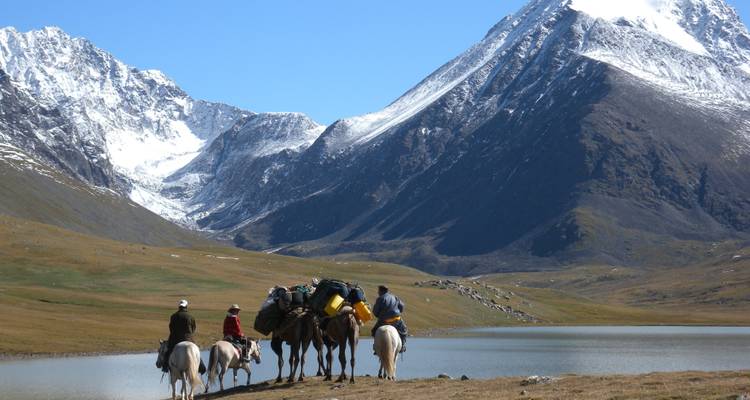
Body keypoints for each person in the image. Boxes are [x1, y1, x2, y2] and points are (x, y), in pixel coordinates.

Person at [164, 299, 206, 374]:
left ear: (179, 307)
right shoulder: (191, 316)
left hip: (176, 339)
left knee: (169, 351)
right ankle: (201, 367)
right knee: (196, 351)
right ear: (186, 306)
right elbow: (193, 328)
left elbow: (171, 328)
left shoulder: (173, 316)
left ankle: (165, 366)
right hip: (188, 339)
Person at [371, 285, 408, 353]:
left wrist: (379, 315)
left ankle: (376, 348)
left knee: (374, 331)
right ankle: (402, 346)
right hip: (396, 320)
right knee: (404, 331)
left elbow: (375, 312)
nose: (378, 292)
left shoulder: (380, 298)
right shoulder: (395, 297)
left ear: (381, 291)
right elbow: (402, 306)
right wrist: (398, 311)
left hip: (384, 321)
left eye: (378, 291)